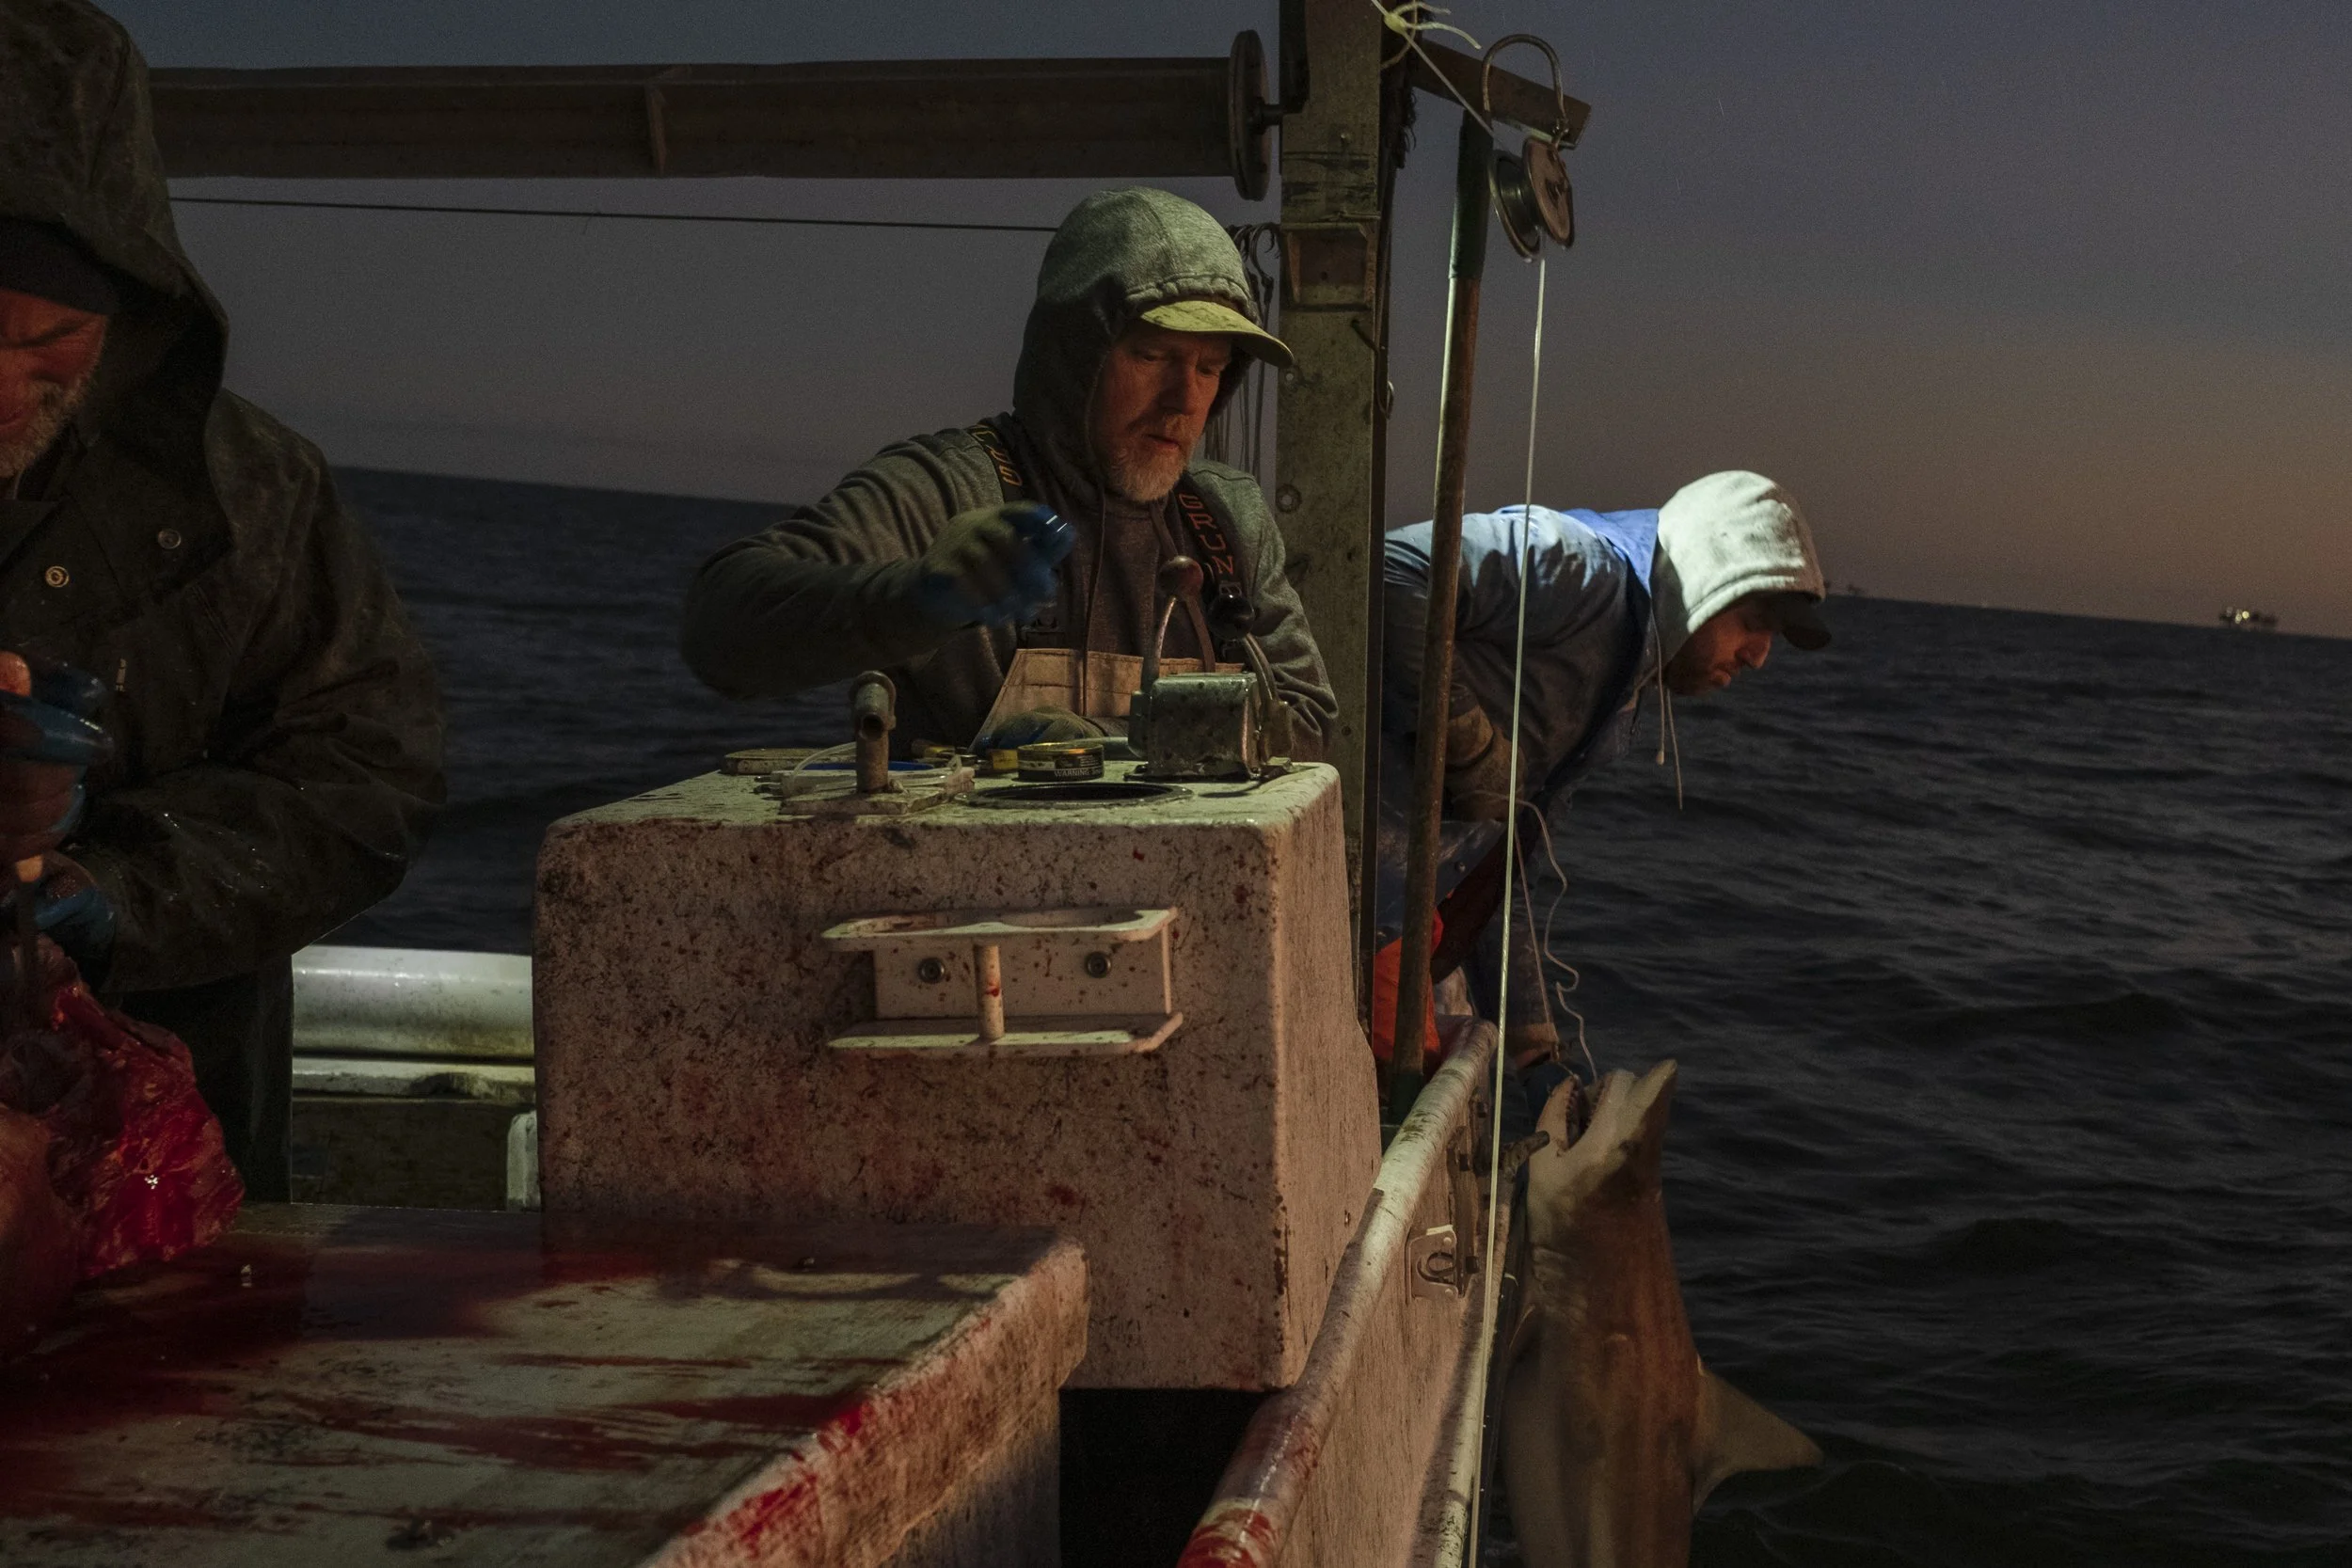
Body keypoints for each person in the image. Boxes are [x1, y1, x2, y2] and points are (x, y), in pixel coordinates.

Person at [0, 0, 446, 1199]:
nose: (0, 382)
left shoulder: (251, 493)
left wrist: (114, 885)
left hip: (156, 1165)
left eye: (52, 335)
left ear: (134, 316)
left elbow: (365, 769)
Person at [682, 187, 1337, 756]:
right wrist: (913, 598)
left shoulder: (1229, 521)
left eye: (1209, 367)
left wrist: (1111, 745)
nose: (1183, 400)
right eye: (1152, 353)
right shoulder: (948, 490)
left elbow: (1309, 723)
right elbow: (720, 627)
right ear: (1072, 354)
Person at [1375, 470, 1830, 1078]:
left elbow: (1496, 866)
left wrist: (1533, 1043)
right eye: (1751, 621)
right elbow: (1391, 569)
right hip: (1348, 889)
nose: (1759, 656)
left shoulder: (1624, 681)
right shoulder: (1577, 566)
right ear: (1702, 578)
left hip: (1394, 921)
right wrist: (1467, 740)